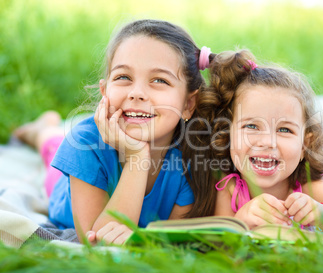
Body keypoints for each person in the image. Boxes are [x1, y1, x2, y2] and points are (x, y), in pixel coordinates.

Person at [13, 19, 212, 245]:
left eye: (159, 80)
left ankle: (47, 128)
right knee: (53, 151)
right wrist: (138, 156)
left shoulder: (191, 157)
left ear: (188, 103)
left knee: (55, 145)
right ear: (104, 90)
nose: (137, 93)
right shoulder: (84, 143)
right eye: (123, 77)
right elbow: (97, 242)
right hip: (65, 191)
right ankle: (42, 130)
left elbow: (170, 246)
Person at [193, 49, 323, 243]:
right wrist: (242, 218)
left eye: (284, 130)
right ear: (228, 135)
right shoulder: (229, 190)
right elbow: (219, 243)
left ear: (305, 145)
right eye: (251, 126)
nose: (268, 142)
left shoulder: (315, 190)